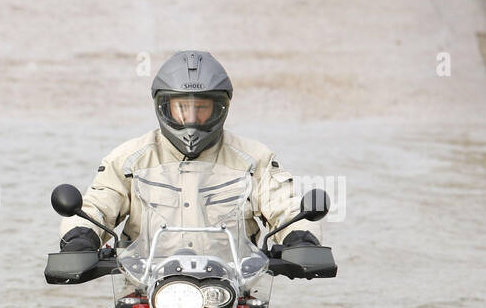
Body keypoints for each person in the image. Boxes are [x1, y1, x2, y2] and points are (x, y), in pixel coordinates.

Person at [58, 50, 321, 255]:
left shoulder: (254, 159)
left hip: (233, 294)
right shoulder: (129, 160)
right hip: (145, 293)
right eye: (182, 107)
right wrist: (81, 235)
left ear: (220, 108)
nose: (192, 117)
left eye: (202, 107)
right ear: (164, 107)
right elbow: (97, 206)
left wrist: (300, 238)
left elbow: (286, 207)